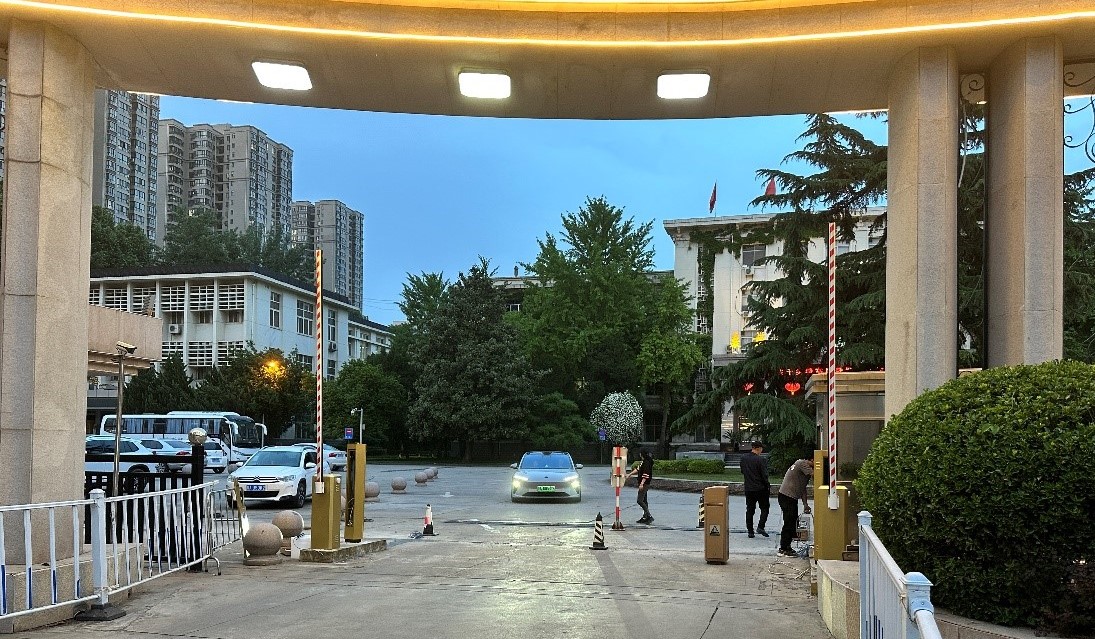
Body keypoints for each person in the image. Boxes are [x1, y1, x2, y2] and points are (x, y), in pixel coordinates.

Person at [776, 452, 813, 557]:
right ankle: (783, 548)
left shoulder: (803, 471)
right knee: (789, 522)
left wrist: (805, 504)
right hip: (787, 496)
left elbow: (802, 488)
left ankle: (787, 546)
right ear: (811, 459)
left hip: (790, 497)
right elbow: (816, 475)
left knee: (793, 522)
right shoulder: (802, 463)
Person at [739, 441, 770, 538]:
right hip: (761, 488)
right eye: (761, 449)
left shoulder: (743, 458)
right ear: (759, 448)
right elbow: (764, 475)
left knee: (750, 509)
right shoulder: (761, 460)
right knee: (765, 508)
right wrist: (767, 485)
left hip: (749, 488)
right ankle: (760, 526)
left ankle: (750, 531)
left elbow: (742, 471)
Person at [626, 449, 654, 524]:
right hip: (644, 483)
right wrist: (629, 474)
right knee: (644, 500)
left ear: (642, 454)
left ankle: (649, 516)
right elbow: (638, 469)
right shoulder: (643, 462)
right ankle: (645, 517)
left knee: (639, 500)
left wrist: (642, 484)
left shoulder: (647, 463)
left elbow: (646, 474)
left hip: (645, 484)